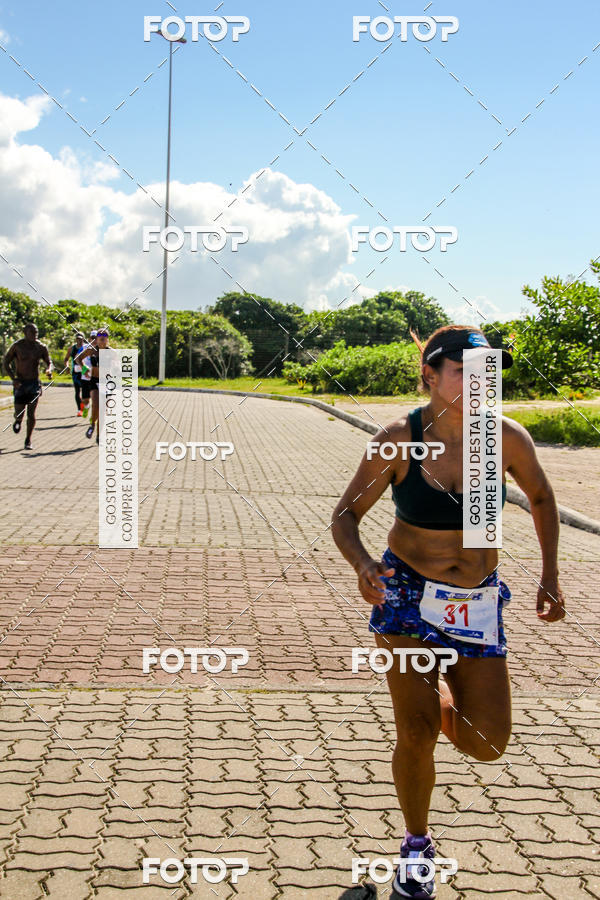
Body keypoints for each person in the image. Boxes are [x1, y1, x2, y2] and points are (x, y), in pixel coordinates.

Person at [332, 325, 566, 900]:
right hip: (408, 596)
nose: (480, 382)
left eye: (488, 371)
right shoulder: (399, 439)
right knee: (414, 732)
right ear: (430, 377)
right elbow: (344, 517)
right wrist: (364, 566)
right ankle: (416, 845)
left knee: (487, 741)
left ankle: (431, 695)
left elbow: (541, 498)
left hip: (477, 601)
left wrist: (551, 574)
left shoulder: (505, 438)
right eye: (464, 371)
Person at [3, 323, 53, 450]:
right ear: (25, 333)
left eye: (36, 332)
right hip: (20, 383)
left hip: (34, 384)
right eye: (32, 332)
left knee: (31, 413)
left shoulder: (41, 347)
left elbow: (49, 361)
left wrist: (49, 370)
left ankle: (28, 440)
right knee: (19, 412)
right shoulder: (17, 346)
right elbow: (6, 362)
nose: (35, 335)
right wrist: (13, 379)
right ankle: (18, 420)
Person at [76, 327, 110, 444]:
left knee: (103, 409)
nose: (101, 341)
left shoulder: (112, 352)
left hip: (106, 382)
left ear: (107, 340)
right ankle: (92, 425)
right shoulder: (91, 350)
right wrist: (84, 368)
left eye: (104, 339)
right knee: (95, 404)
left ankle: (99, 435)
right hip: (94, 381)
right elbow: (78, 359)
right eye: (99, 339)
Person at [63, 333, 85, 415]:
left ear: (83, 339)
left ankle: (84, 407)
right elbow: (66, 359)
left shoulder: (86, 348)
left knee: (85, 392)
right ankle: (80, 410)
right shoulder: (71, 348)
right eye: (78, 339)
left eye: (81, 339)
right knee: (77, 391)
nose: (79, 341)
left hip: (84, 372)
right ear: (76, 339)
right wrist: (67, 367)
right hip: (75, 373)